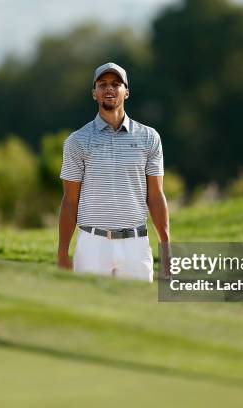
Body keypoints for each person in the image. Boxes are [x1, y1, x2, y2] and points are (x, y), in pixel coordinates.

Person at [57, 62, 170, 282]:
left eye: (116, 84)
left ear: (126, 92)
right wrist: (62, 252)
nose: (109, 88)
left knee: (138, 312)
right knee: (89, 313)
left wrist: (166, 247)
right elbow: (70, 201)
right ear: (94, 93)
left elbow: (156, 196)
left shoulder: (149, 138)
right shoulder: (77, 141)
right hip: (92, 244)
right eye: (103, 84)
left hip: (135, 244)